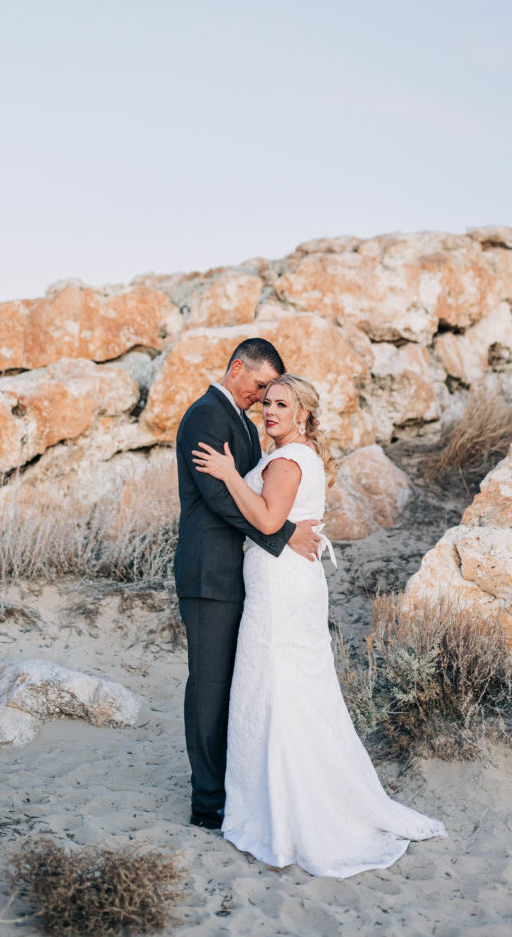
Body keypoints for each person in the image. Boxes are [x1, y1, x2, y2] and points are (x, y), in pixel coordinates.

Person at [193, 373, 446, 877]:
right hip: (285, 582)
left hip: (281, 588)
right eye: (267, 403)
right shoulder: (297, 453)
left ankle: (289, 810)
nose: (270, 411)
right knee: (286, 686)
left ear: (303, 414)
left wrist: (226, 473)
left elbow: (266, 521)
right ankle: (282, 795)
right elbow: (279, 523)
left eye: (282, 405)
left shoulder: (288, 458)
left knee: (279, 687)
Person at [174, 340, 320, 831]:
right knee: (210, 688)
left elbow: (257, 488)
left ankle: (238, 788)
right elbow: (219, 495)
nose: (262, 398)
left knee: (239, 687)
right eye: (260, 386)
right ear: (237, 369)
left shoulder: (240, 421)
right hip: (208, 575)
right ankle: (207, 804)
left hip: (240, 577)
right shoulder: (205, 416)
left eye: (273, 394)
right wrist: (282, 533)